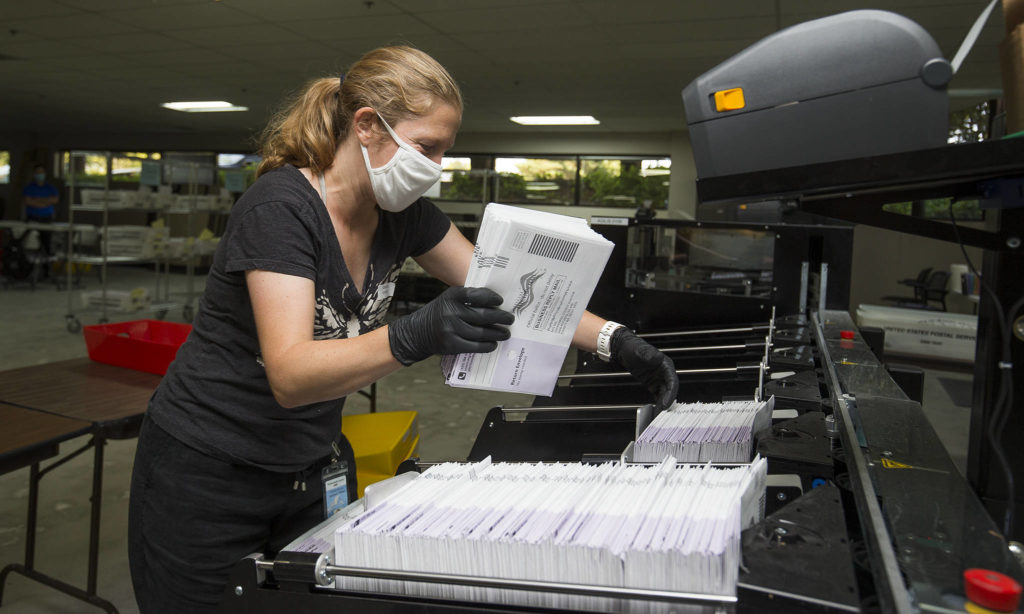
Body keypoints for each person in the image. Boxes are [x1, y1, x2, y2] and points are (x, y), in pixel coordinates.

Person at [128, 45, 678, 613]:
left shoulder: (402, 212)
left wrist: (615, 339)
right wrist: (412, 335)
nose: (436, 167)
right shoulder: (281, 210)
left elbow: (510, 290)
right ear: (367, 125)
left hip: (305, 461)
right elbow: (290, 374)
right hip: (208, 467)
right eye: (427, 147)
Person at [21, 163, 59, 259]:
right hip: (32, 217)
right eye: (37, 172)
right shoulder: (29, 187)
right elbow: (28, 201)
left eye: (41, 172)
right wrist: (46, 201)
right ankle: (23, 261)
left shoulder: (50, 188)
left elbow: (54, 200)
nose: (39, 174)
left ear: (45, 173)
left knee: (46, 242)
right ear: (34, 174)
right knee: (24, 239)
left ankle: (46, 266)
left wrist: (37, 200)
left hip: (46, 218)